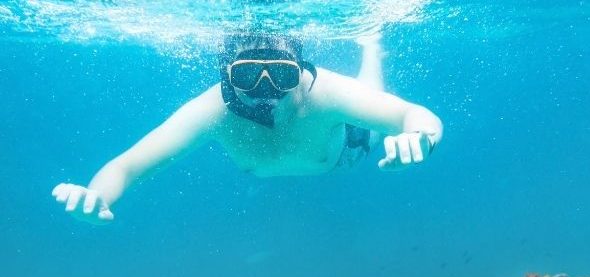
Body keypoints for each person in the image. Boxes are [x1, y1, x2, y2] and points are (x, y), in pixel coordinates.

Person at [51, 32, 443, 225]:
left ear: (301, 72)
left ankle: (371, 48)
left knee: (371, 95)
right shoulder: (213, 111)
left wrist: (420, 139)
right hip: (323, 159)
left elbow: (415, 115)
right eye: (249, 75)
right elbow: (127, 166)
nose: (265, 91)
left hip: (348, 152)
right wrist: (96, 196)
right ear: (227, 77)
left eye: (283, 76)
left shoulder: (326, 95)